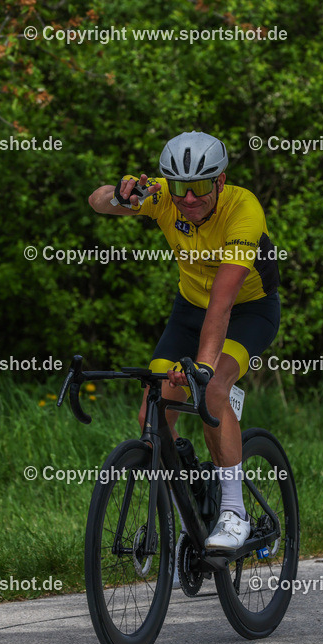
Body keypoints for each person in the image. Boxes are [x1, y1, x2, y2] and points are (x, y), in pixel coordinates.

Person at [88, 131, 280, 552]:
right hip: (189, 311)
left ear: (220, 181)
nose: (188, 198)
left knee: (211, 390)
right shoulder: (162, 198)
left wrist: (204, 367)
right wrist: (121, 196)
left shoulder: (243, 210)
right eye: (179, 187)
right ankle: (190, 507)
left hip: (247, 312)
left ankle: (234, 512)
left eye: (198, 187)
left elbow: (223, 305)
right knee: (151, 414)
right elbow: (96, 200)